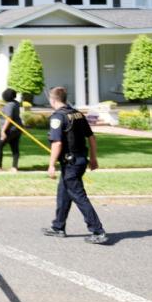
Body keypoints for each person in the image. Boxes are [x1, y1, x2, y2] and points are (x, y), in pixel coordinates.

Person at [42, 86, 108, 244]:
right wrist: (93, 158)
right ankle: (58, 226)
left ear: (53, 100)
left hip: (70, 163)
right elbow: (91, 137)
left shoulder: (58, 117)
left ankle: (98, 231)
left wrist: (51, 165)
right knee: (63, 193)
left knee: (79, 196)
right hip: (79, 160)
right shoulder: (77, 114)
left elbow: (57, 143)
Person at [0, 88, 23, 172]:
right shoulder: (15, 103)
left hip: (9, 129)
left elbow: (9, 118)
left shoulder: (9, 105)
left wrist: (3, 131)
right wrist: (1, 107)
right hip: (17, 129)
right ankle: (14, 167)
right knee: (14, 147)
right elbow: (5, 112)